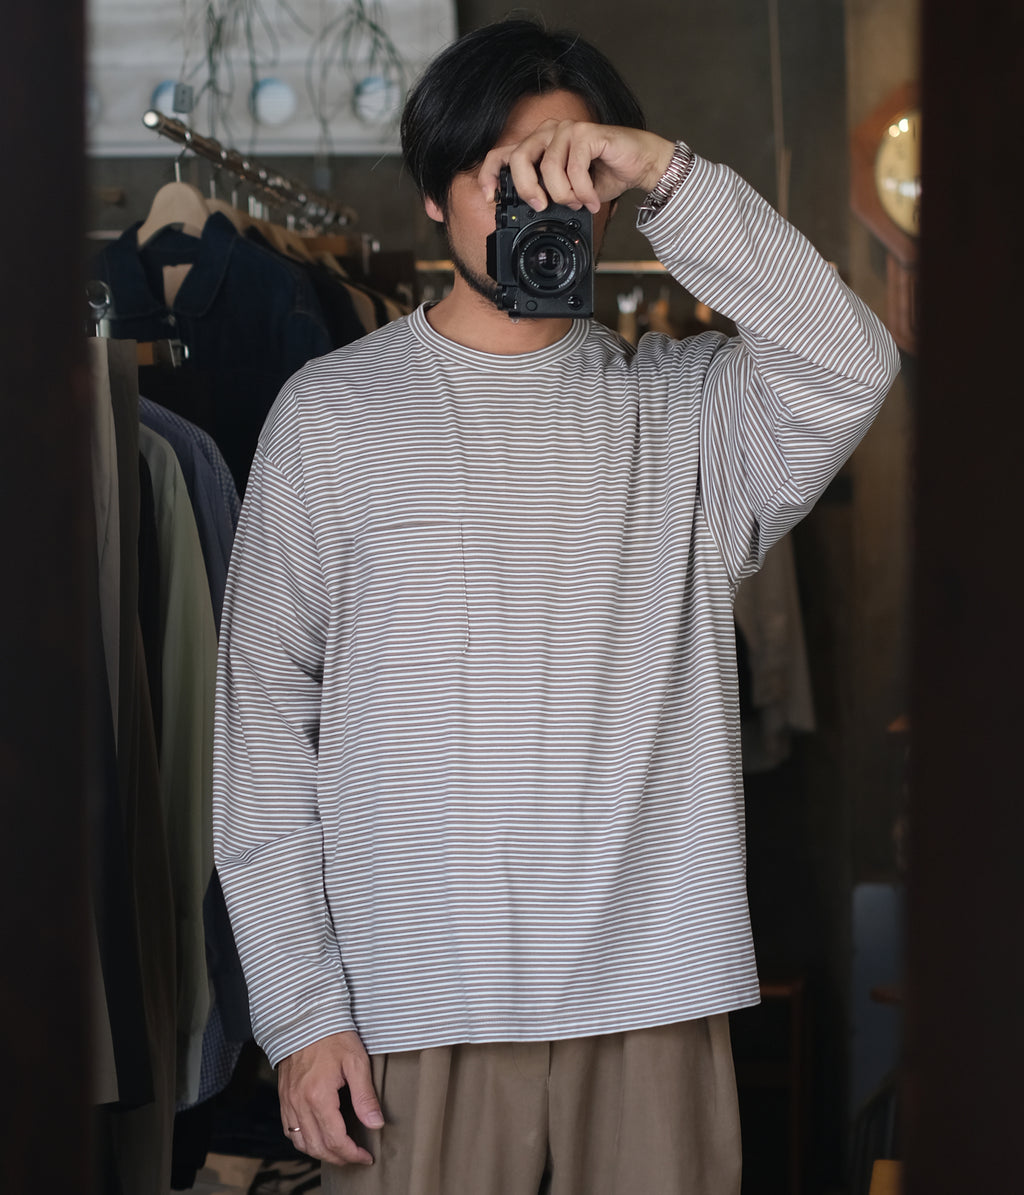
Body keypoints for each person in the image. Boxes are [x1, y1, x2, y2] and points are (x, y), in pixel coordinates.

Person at [212, 18, 899, 1194]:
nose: (542, 202)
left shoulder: (686, 412)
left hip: (652, 990)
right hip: (407, 996)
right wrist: (300, 1008)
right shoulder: (330, 416)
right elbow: (264, 725)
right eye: (506, 174)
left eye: (572, 171)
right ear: (435, 195)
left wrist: (668, 174)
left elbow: (850, 362)